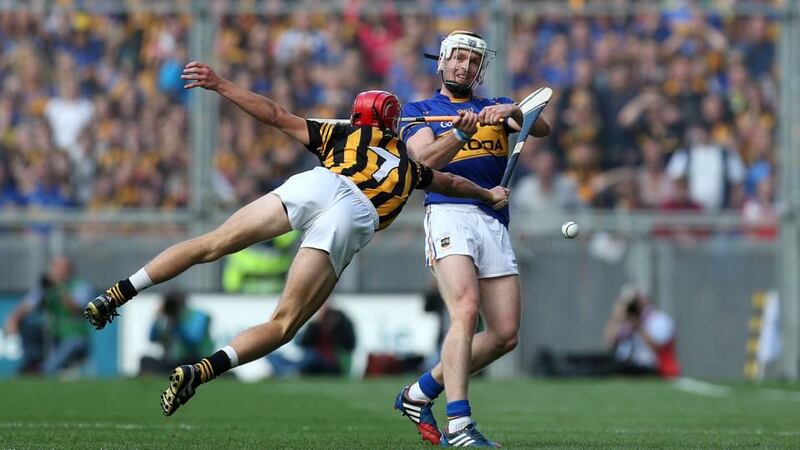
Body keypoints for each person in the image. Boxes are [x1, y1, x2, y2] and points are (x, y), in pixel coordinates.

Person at [83, 60, 509, 419]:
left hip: (319, 182)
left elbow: (272, 113)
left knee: (210, 244)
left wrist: (220, 84)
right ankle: (201, 371)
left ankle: (118, 293)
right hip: (354, 212)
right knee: (283, 323)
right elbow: (451, 182)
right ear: (393, 121)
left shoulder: (340, 133)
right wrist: (488, 192)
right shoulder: (410, 166)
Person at [396, 30, 549, 447]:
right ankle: (460, 425)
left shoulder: (491, 105)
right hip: (449, 214)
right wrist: (460, 133)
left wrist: (512, 111)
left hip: (493, 219)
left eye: (472, 60)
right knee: (465, 312)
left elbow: (541, 126)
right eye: (458, 58)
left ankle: (420, 392)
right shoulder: (420, 109)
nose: (464, 66)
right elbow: (424, 162)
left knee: (504, 334)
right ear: (442, 62)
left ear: (480, 69)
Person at [534, 287, 681, 379]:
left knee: (607, 368)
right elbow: (608, 344)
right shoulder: (628, 320)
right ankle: (556, 361)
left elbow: (657, 348)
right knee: (596, 358)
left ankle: (562, 373)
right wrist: (616, 318)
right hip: (622, 360)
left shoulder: (659, 320)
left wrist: (639, 326)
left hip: (647, 366)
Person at [3, 256, 92, 375]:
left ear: (69, 270)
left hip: (74, 336)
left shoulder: (81, 287)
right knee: (27, 323)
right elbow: (27, 306)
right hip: (54, 336)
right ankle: (31, 361)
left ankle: (42, 371)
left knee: (72, 344)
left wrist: (60, 287)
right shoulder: (47, 288)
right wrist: (13, 320)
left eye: (59, 269)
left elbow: (75, 309)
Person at [266, 303, 355, 377]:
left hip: (330, 363)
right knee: (272, 355)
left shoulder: (341, 328)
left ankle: (287, 371)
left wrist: (335, 327)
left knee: (311, 356)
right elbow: (302, 343)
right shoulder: (314, 327)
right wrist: (314, 326)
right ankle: (288, 370)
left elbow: (350, 344)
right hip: (310, 361)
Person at [139, 290, 213, 375]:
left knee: (190, 360)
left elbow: (194, 339)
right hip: (172, 362)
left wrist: (178, 321)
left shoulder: (197, 316)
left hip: (194, 360)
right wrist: (157, 318)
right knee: (145, 360)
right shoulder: (166, 319)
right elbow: (152, 338)